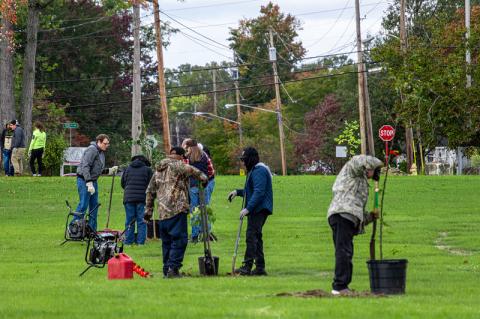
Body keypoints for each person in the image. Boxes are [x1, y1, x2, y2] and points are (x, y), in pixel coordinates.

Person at [145, 146, 207, 278]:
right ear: (180, 156)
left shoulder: (158, 170)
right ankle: (173, 269)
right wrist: (204, 179)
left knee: (166, 242)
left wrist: (148, 212)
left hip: (162, 212)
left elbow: (150, 191)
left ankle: (166, 269)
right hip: (177, 209)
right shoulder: (178, 165)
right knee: (179, 240)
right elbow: (196, 172)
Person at [327, 154, 383, 295]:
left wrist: (371, 216)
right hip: (342, 214)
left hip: (348, 216)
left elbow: (357, 211)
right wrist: (374, 165)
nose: (373, 175)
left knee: (346, 251)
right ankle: (339, 287)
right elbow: (358, 160)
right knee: (343, 251)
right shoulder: (352, 170)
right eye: (374, 171)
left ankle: (343, 286)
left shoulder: (361, 183)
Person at [227, 147, 273, 276]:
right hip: (257, 208)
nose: (242, 162)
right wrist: (238, 192)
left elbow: (259, 192)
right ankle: (259, 268)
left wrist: (248, 208)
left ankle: (247, 266)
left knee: (251, 236)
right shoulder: (255, 170)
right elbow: (251, 191)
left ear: (250, 158)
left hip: (259, 209)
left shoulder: (259, 171)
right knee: (256, 237)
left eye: (244, 159)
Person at [73, 134, 118, 232]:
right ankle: (73, 227)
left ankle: (92, 230)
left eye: (108, 144)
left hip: (93, 181)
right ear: (99, 142)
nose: (107, 146)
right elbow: (85, 166)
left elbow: (97, 169)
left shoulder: (101, 152)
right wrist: (88, 182)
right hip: (84, 180)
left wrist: (109, 171)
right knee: (83, 205)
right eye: (105, 143)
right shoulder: (92, 150)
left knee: (94, 206)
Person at [120, 154, 153, 245]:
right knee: (141, 220)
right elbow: (151, 185)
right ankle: (140, 242)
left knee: (129, 220)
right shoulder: (147, 170)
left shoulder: (127, 169)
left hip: (128, 198)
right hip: (142, 198)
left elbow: (123, 184)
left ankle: (128, 241)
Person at [183, 139, 210, 242]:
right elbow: (210, 170)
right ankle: (205, 234)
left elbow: (185, 171)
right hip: (204, 185)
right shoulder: (204, 156)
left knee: (194, 210)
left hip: (193, 185)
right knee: (204, 210)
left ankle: (194, 235)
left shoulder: (188, 158)